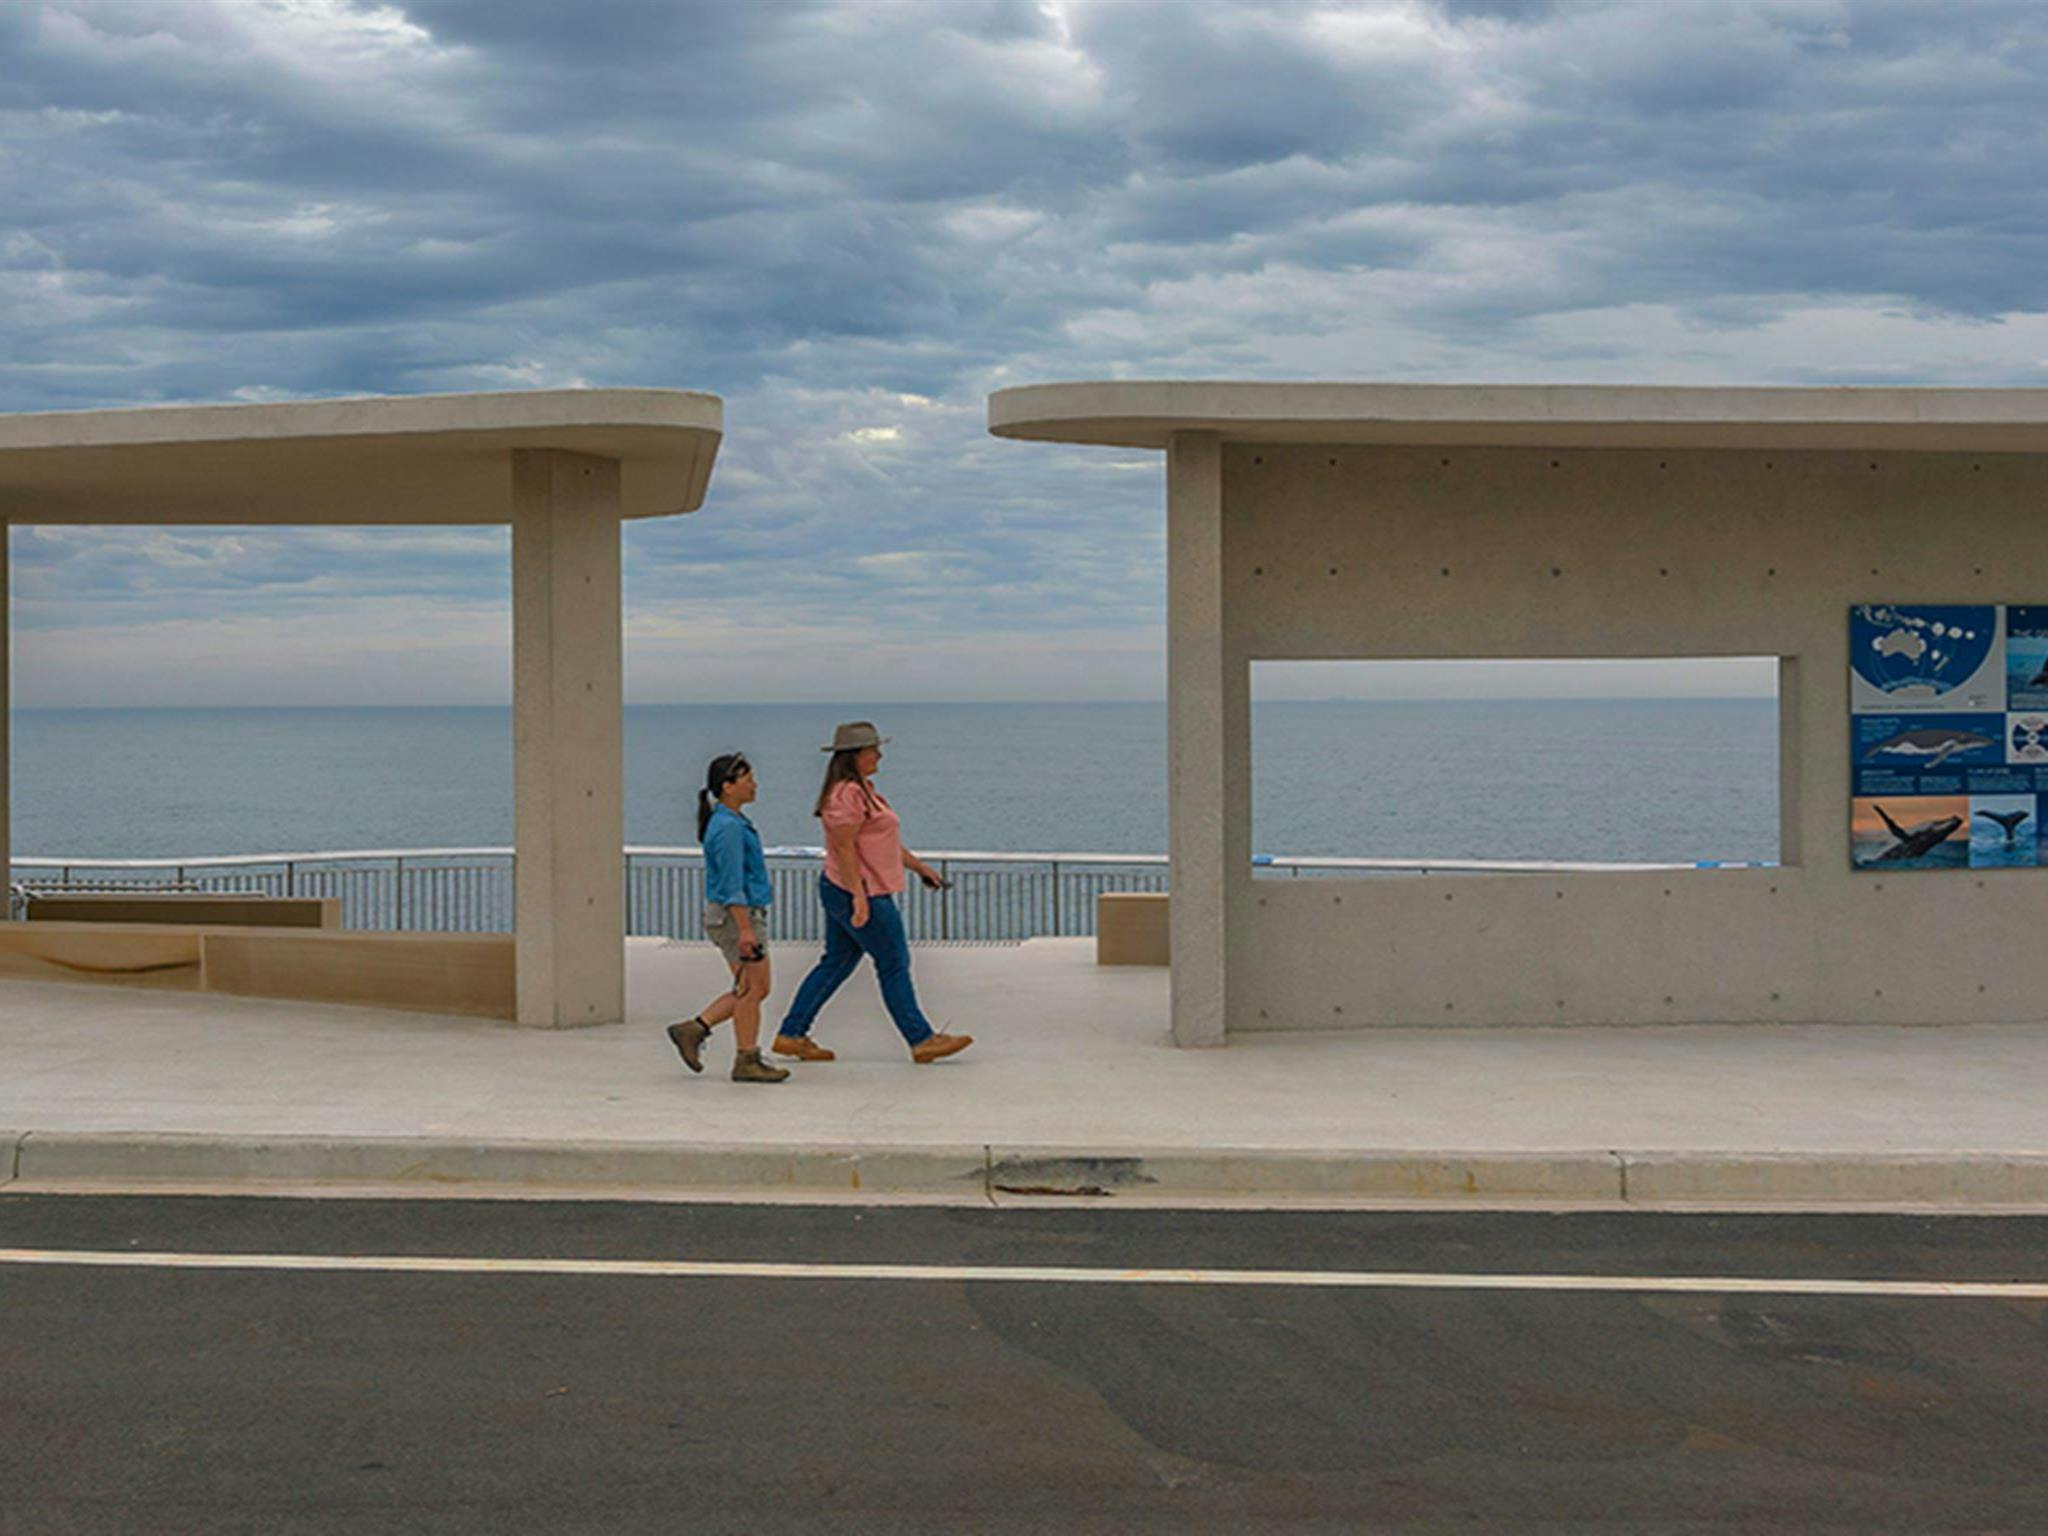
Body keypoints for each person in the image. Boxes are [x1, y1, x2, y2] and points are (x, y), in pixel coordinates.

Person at [772, 722, 972, 1064]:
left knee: (836, 961)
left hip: (851, 888)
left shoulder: (863, 790)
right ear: (855, 756)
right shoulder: (846, 795)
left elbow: (882, 843)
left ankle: (792, 1034)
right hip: (859, 890)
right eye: (873, 750)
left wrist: (921, 868)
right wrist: (859, 898)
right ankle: (921, 1039)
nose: (879, 755)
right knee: (894, 962)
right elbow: (845, 848)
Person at [667, 753, 790, 1084]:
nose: (754, 785)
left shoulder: (730, 822)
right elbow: (731, 884)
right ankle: (746, 1058)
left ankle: (695, 1029)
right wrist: (746, 929)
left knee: (753, 987)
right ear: (728, 787)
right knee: (751, 989)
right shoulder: (728, 828)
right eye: (747, 779)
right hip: (738, 918)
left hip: (740, 916)